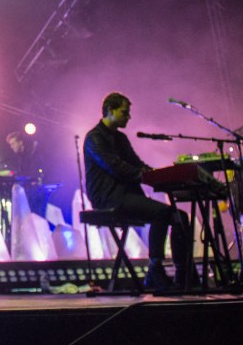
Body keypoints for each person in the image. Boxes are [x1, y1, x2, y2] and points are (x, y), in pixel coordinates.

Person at [83, 92, 195, 290]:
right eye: (124, 113)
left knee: (181, 217)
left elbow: (137, 164)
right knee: (162, 213)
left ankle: (183, 274)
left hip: (126, 195)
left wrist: (160, 175)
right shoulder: (94, 138)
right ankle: (155, 270)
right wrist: (146, 177)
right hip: (108, 198)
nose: (129, 117)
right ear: (110, 110)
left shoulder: (121, 138)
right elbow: (115, 167)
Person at [5, 131, 47, 217]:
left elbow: (33, 173)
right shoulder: (20, 157)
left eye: (13, 144)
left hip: (35, 193)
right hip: (28, 191)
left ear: (20, 142)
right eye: (10, 145)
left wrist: (15, 175)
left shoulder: (31, 153)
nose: (12, 147)